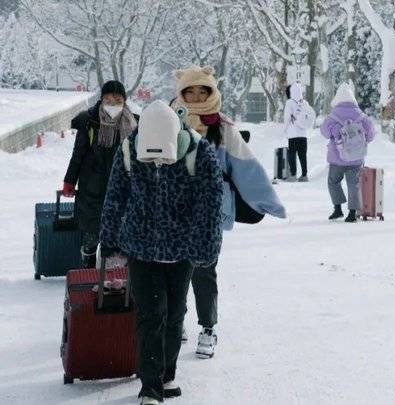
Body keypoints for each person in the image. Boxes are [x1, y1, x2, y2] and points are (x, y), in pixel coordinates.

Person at [99, 100, 223, 405]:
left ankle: (166, 375)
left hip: (180, 250)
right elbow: (115, 196)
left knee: (174, 314)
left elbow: (210, 205)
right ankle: (150, 386)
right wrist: (110, 239)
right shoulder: (129, 150)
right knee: (150, 314)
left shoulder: (198, 152)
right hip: (141, 247)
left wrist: (205, 248)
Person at [172, 65, 286, 359]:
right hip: (173, 208)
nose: (196, 97)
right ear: (180, 92)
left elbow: (247, 167)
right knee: (174, 269)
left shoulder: (222, 128)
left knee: (204, 270)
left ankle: (208, 327)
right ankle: (176, 320)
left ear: (212, 92)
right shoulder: (168, 122)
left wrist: (267, 201)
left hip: (210, 209)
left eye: (202, 91)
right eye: (190, 91)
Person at [62, 80, 137, 268]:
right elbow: (77, 154)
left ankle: (114, 277)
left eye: (117, 99)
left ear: (124, 101)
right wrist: (69, 180)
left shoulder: (133, 124)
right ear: (102, 99)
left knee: (118, 229)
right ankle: (87, 261)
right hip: (92, 186)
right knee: (92, 230)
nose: (113, 104)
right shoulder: (90, 122)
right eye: (108, 99)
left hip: (121, 186)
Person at [320, 83, 375, 223]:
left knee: (333, 182)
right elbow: (371, 135)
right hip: (356, 157)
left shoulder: (333, 115)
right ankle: (352, 213)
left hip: (336, 158)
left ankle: (337, 208)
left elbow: (324, 132)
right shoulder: (360, 115)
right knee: (354, 184)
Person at [283, 82, 316, 182]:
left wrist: (285, 130)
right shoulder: (305, 103)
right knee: (303, 155)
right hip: (303, 134)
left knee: (292, 155)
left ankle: (293, 175)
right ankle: (304, 175)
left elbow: (287, 118)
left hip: (293, 134)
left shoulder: (289, 103)